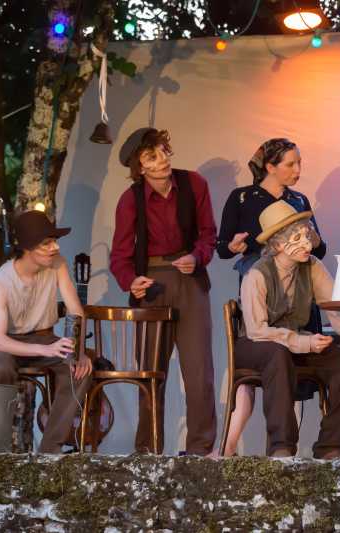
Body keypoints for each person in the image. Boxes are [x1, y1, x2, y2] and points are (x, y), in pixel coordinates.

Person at [216, 138, 327, 456]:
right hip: (260, 284)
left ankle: (283, 447)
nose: (297, 170)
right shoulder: (243, 198)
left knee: (291, 363)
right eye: (290, 164)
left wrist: (310, 239)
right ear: (270, 166)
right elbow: (223, 247)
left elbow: (319, 248)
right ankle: (229, 445)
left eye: (299, 163)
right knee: (260, 356)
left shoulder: (299, 200)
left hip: (297, 289)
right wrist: (234, 246)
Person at [110, 127, 217, 455]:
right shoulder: (130, 200)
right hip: (152, 285)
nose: (162, 160)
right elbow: (120, 256)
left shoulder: (194, 183)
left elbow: (208, 234)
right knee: (151, 373)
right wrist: (131, 281)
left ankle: (200, 450)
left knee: (199, 372)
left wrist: (196, 257)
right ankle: (148, 450)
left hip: (189, 280)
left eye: (163, 152)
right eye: (152, 156)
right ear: (139, 166)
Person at [237, 200, 340, 458]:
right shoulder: (257, 275)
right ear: (277, 245)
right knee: (276, 353)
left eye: (306, 235)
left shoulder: (312, 266)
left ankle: (329, 444)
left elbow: (335, 305)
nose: (307, 244)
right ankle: (281, 445)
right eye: (297, 238)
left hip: (294, 344)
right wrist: (303, 342)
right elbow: (257, 330)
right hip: (256, 345)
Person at [0, 210, 93, 453]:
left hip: (44, 336)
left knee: (80, 369)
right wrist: (45, 349)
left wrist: (79, 350)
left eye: (55, 241)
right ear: (27, 248)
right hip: (8, 342)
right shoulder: (0, 282)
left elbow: (75, 309)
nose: (55, 247)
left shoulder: (58, 264)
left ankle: (49, 450)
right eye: (47, 243)